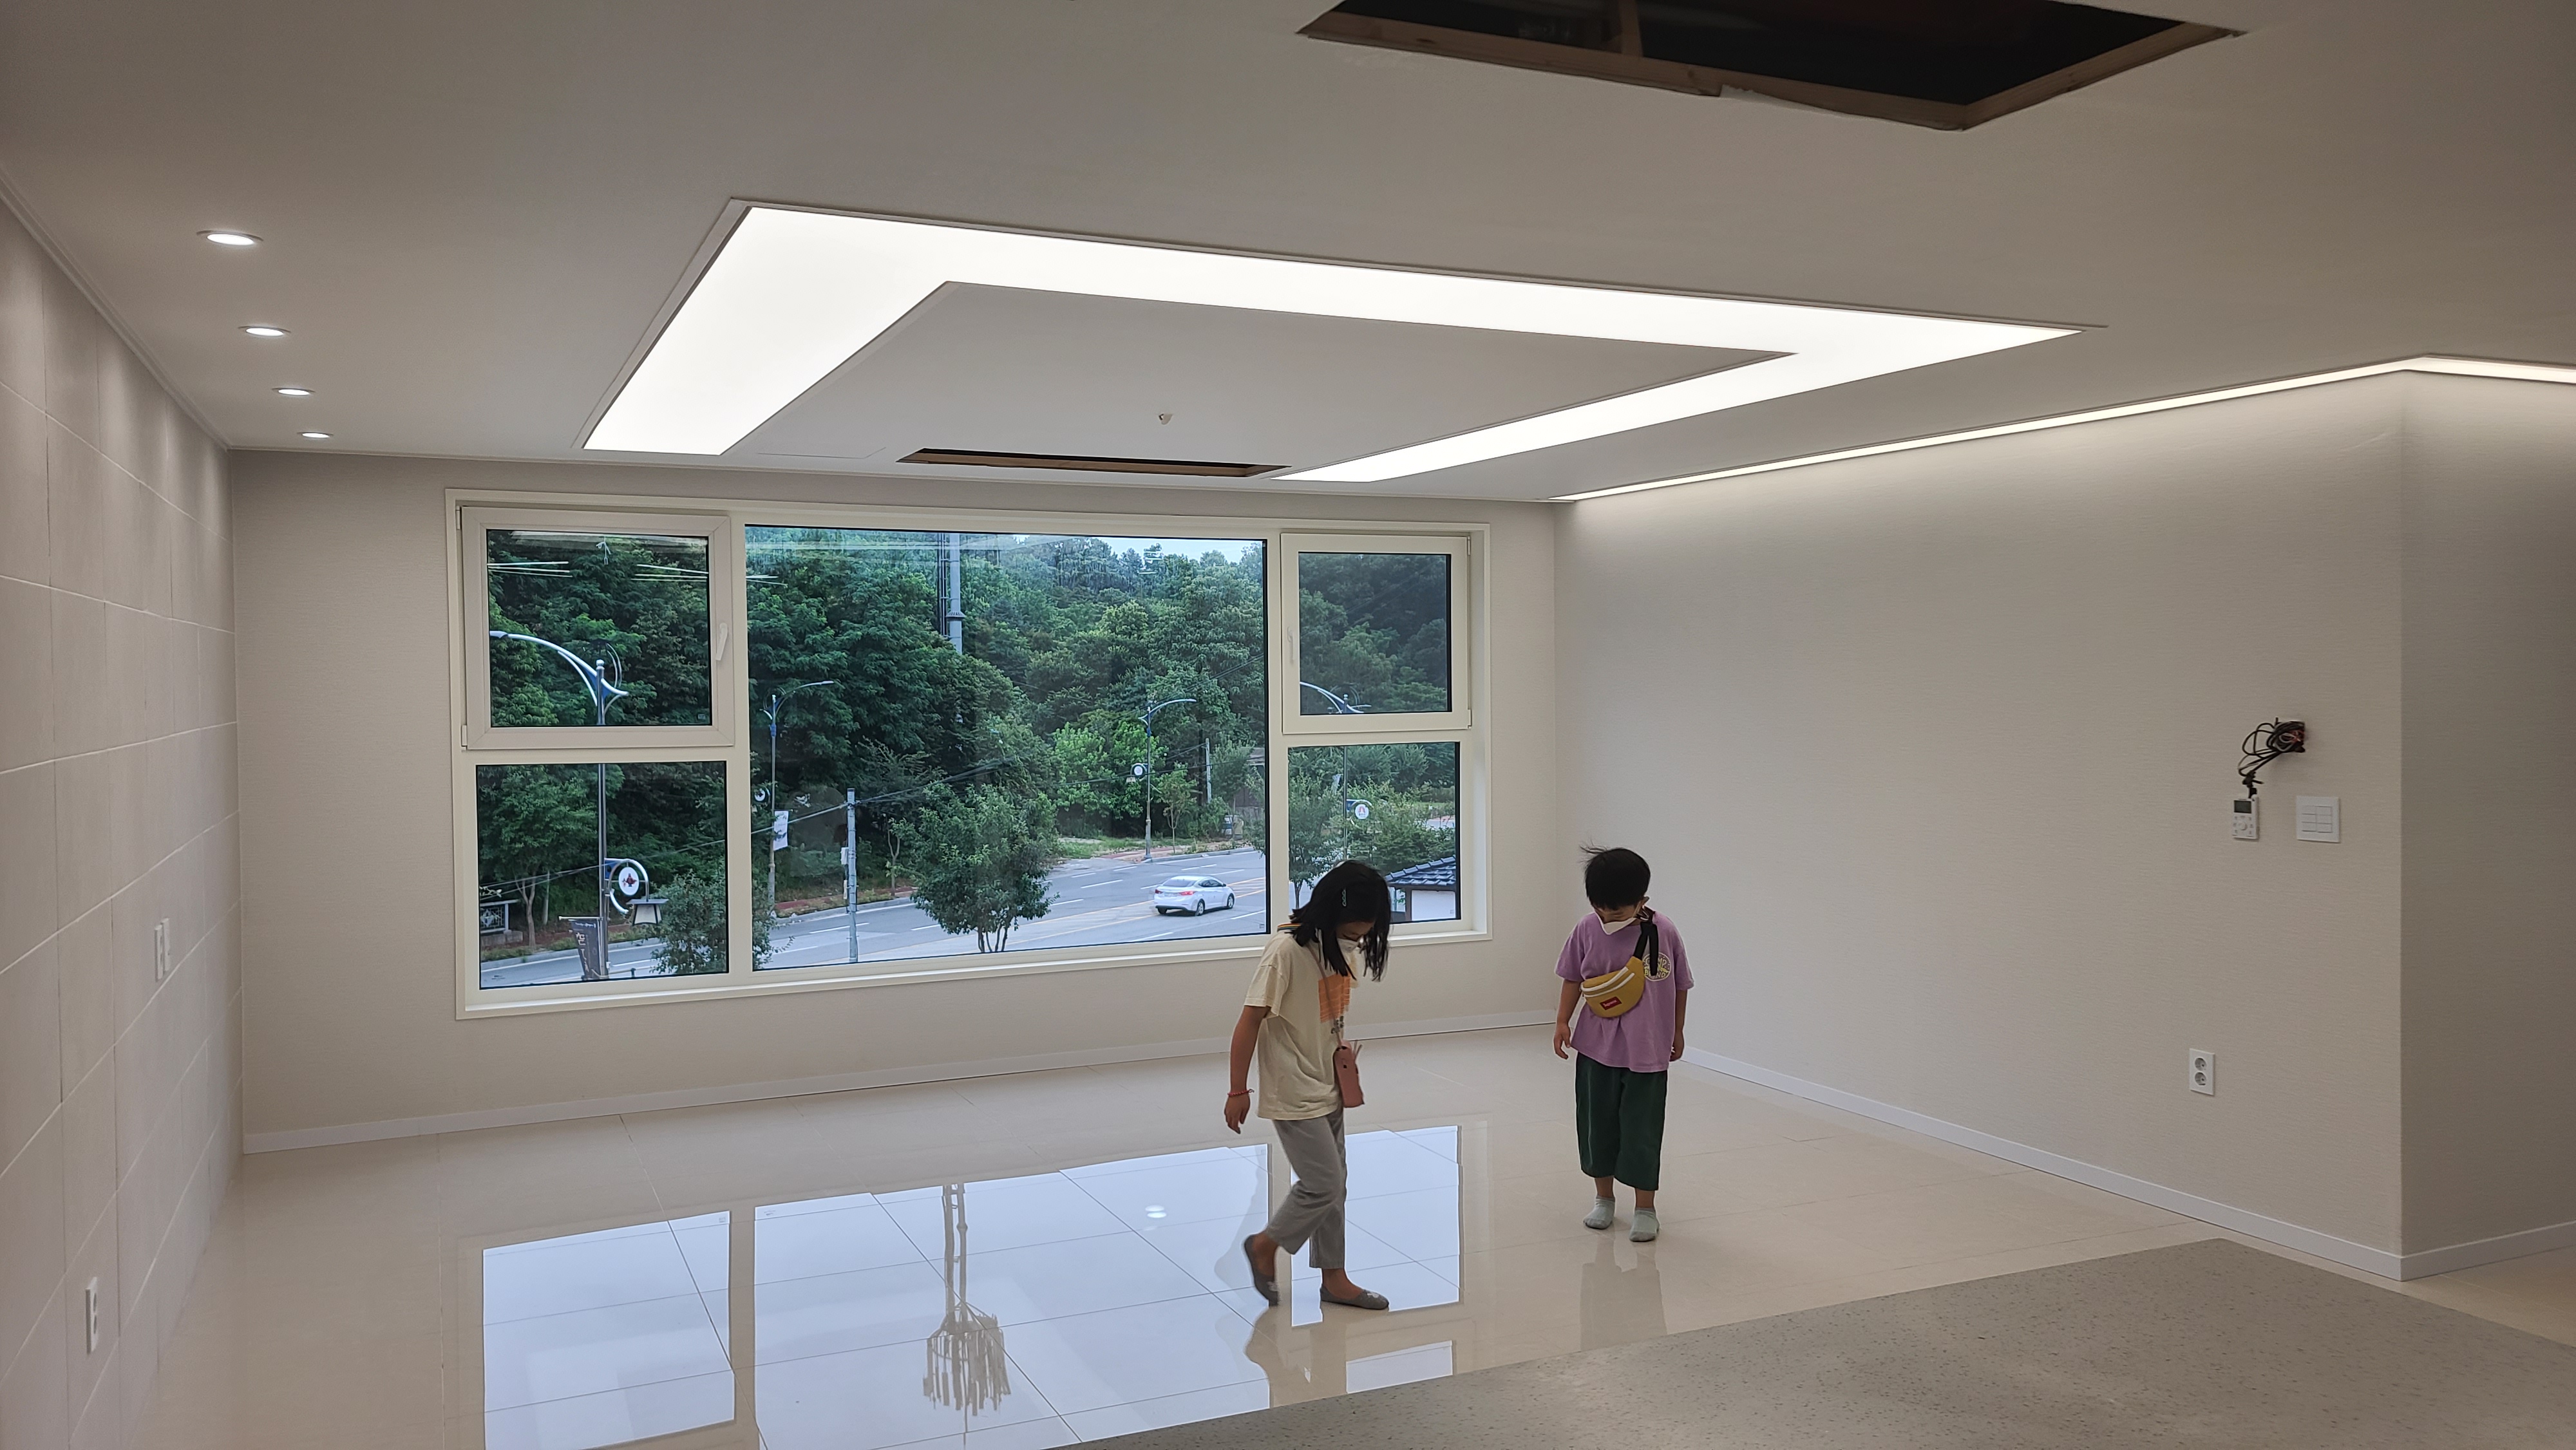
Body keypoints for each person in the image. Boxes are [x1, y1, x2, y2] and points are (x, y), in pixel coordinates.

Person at [1224, 860, 1393, 1311]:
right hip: (1294, 1088)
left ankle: (1334, 1279)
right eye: (1353, 933)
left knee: (1336, 1187)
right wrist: (1238, 1090)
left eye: (1364, 936)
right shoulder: (1285, 952)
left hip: (1328, 1081)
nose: (1358, 942)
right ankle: (1264, 1245)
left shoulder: (1338, 947)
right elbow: (1249, 1021)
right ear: (1332, 913)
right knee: (1324, 1183)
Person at [1551, 846, 1692, 1242]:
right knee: (1597, 1125)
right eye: (1600, 908)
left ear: (1642, 901)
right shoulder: (1586, 929)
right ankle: (1604, 1199)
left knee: (1642, 1129)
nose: (1608, 916)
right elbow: (1572, 978)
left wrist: (1677, 1031)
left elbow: (1680, 985)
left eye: (1618, 911)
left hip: (1647, 1051)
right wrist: (1562, 1021)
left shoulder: (1663, 932)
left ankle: (1645, 1208)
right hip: (1596, 1048)